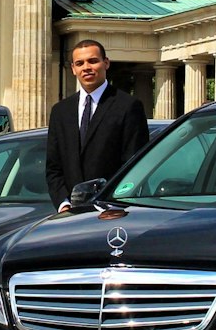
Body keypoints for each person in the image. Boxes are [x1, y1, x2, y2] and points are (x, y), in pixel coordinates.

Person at [45, 40, 150, 207]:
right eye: (79, 63)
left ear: (106, 63)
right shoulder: (60, 111)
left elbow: (134, 165)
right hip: (71, 213)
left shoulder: (128, 106)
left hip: (113, 210)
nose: (86, 67)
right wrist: (63, 204)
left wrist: (115, 204)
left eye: (93, 61)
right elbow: (53, 168)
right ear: (73, 69)